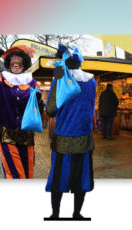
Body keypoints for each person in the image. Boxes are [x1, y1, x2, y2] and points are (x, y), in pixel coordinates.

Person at [45, 44, 96, 219]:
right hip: (84, 138)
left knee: (59, 178)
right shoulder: (91, 81)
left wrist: (56, 79)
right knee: (81, 178)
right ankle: (76, 214)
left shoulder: (60, 79)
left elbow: (50, 110)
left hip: (64, 140)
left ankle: (55, 215)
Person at [0, 45, 38, 179]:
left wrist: (38, 101)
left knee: (27, 169)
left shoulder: (32, 82)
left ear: (24, 63)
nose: (16, 62)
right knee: (14, 172)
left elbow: (37, 107)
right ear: (9, 63)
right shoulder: (2, 79)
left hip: (27, 132)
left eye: (19, 60)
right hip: (7, 132)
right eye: (13, 59)